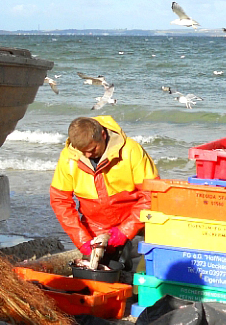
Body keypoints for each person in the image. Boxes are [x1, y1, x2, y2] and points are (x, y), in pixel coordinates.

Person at [50, 115, 159, 269]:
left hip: (134, 222)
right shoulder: (68, 157)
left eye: (92, 149)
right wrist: (82, 241)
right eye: (83, 152)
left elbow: (152, 195)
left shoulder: (131, 151)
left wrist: (124, 232)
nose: (87, 155)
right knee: (97, 272)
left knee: (134, 269)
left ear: (103, 135)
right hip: (95, 227)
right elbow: (60, 201)